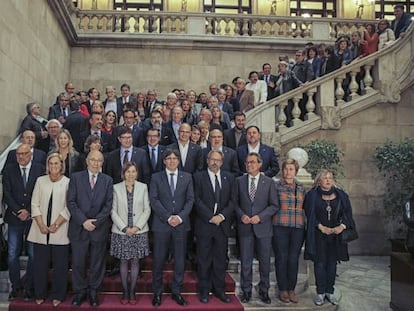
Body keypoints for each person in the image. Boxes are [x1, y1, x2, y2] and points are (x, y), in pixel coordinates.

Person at [67, 150, 113, 307]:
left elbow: (108, 205)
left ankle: (94, 291)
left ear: (102, 163)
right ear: (87, 161)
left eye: (99, 160)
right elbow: (71, 202)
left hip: (99, 229)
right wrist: (83, 221)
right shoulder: (75, 178)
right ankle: (80, 291)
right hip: (79, 228)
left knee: (97, 263)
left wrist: (96, 222)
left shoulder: (107, 180)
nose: (96, 163)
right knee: (78, 262)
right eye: (93, 160)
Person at [304, 169, 356, 306]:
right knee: (320, 263)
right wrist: (321, 227)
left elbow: (348, 214)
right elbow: (309, 215)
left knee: (332, 264)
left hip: (335, 235)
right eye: (325, 178)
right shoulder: (311, 195)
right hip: (318, 234)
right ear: (319, 181)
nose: (328, 180)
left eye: (330, 178)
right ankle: (320, 293)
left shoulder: (341, 195)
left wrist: (342, 226)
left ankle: (329, 291)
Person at [149, 149, 194, 307]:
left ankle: (176, 291)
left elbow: (190, 200)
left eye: (175, 158)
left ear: (179, 161)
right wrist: (168, 217)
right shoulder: (156, 177)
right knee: (159, 260)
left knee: (180, 260)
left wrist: (180, 217)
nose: (172, 161)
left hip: (181, 225)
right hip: (162, 224)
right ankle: (158, 292)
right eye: (169, 158)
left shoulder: (187, 177)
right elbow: (153, 199)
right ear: (164, 161)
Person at [233, 152, 279, 304]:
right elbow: (235, 203)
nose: (249, 165)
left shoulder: (269, 182)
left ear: (260, 164)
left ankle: (264, 291)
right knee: (246, 262)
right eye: (247, 162)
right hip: (245, 227)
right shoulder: (239, 181)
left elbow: (274, 205)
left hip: (263, 228)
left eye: (253, 162)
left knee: (264, 262)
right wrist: (241, 215)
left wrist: (260, 217)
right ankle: (246, 291)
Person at [2, 144, 45, 301]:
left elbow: (41, 192)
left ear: (31, 154)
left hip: (33, 218)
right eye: (18, 154)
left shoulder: (39, 169)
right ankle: (16, 286)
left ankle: (29, 287)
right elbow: (6, 193)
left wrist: (29, 210)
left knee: (33, 254)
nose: (21, 157)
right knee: (13, 254)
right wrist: (18, 211)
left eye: (24, 154)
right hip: (14, 218)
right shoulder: (9, 170)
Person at [27, 153, 70, 307]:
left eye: (56, 164)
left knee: (60, 266)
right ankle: (40, 293)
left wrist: (56, 224)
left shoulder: (67, 182)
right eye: (51, 163)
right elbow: (34, 204)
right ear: (47, 165)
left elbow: (68, 207)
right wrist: (40, 224)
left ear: (61, 165)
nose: (53, 166)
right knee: (40, 265)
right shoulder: (40, 181)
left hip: (60, 230)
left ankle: (58, 294)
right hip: (40, 230)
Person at [193, 150, 235, 304]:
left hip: (222, 225)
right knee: (203, 259)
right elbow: (196, 200)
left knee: (220, 260)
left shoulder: (229, 177)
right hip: (205, 224)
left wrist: (221, 216)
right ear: (207, 160)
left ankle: (219, 290)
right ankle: (204, 290)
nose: (214, 162)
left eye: (218, 160)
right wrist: (210, 217)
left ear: (222, 162)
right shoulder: (198, 177)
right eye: (212, 159)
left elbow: (233, 200)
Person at [110, 162, 150, 305]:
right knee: (123, 261)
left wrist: (137, 227)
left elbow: (147, 209)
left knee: (134, 261)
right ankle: (124, 291)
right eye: (128, 172)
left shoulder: (143, 187)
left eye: (133, 171)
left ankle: (132, 291)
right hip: (121, 232)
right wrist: (124, 228)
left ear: (137, 173)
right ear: (123, 173)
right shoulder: (115, 188)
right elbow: (113, 211)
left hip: (138, 231)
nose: (131, 174)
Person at [272, 159, 306, 303]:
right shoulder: (276, 186)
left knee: (293, 258)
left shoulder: (301, 187)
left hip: (297, 227)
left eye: (291, 169)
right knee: (281, 258)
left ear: (295, 171)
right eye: (286, 169)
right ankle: (283, 289)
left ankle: (291, 289)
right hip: (280, 225)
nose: (288, 172)